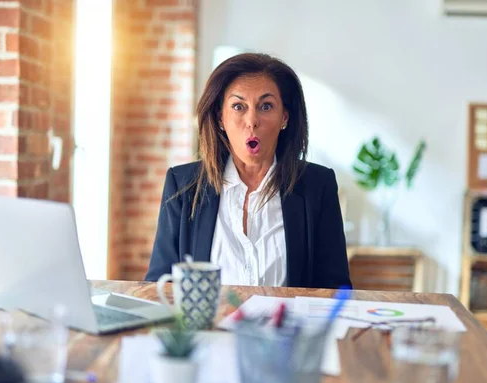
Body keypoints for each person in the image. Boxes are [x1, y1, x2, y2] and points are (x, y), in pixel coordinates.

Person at [145, 53, 351, 289]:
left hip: (289, 326)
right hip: (208, 326)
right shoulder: (182, 184)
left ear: (285, 117)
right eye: (238, 106)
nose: (252, 120)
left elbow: (336, 290)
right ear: (220, 117)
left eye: (266, 106)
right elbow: (159, 283)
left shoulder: (318, 185)